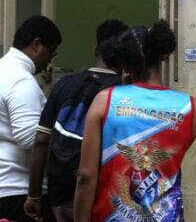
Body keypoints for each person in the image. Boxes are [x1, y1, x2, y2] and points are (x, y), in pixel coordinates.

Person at [74, 20, 196, 222]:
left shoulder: (105, 101)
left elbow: (85, 177)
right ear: (163, 56)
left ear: (124, 64)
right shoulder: (192, 108)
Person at [23, 20, 129, 221]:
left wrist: (34, 195)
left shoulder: (64, 85)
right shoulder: (123, 94)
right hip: (103, 195)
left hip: (59, 195)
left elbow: (41, 141)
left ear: (95, 49)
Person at [0, 15, 62, 221]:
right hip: (18, 191)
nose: (48, 63)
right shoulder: (20, 80)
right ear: (36, 44)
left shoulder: (3, 70)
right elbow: (31, 138)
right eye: (50, 53)